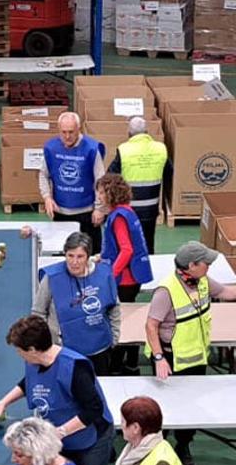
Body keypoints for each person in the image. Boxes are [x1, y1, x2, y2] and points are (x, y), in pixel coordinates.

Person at [145, 241, 236, 465]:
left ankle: (183, 445)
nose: (210, 265)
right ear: (191, 266)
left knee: (191, 405)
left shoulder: (203, 280)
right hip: (169, 359)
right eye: (206, 262)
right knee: (165, 408)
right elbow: (150, 325)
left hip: (195, 357)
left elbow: (226, 292)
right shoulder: (166, 291)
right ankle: (159, 448)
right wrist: (158, 358)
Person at [0, 315, 115, 465]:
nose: (19, 355)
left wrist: (60, 432)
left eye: (19, 351)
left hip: (90, 440)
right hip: (61, 438)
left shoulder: (75, 368)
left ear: (32, 349)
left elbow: (93, 409)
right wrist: (3, 402)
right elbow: (30, 382)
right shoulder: (34, 361)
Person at [32, 231, 121, 376]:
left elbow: (114, 307)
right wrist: (46, 344)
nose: (74, 262)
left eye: (80, 256)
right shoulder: (51, 278)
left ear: (88, 257)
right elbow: (38, 313)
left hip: (99, 350)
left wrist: (114, 337)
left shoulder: (104, 275)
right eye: (70, 256)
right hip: (63, 351)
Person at [95, 174, 153, 374]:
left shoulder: (118, 217)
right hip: (133, 276)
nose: (99, 197)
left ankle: (118, 365)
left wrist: (110, 273)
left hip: (125, 279)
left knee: (121, 321)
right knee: (128, 316)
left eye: (102, 193)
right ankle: (131, 363)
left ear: (111, 194)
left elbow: (126, 250)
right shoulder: (128, 212)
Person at [40, 112, 106, 253]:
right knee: (63, 255)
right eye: (63, 132)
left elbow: (101, 181)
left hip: (87, 213)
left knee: (91, 255)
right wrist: (47, 197)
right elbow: (43, 175)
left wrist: (100, 208)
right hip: (61, 212)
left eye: (71, 132)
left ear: (79, 129)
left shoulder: (92, 149)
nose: (67, 136)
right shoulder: (51, 148)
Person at [107, 116, 169, 253]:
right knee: (147, 244)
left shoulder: (124, 150)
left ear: (129, 133)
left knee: (127, 246)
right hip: (151, 209)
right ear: (147, 132)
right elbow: (170, 175)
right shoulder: (161, 149)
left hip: (128, 210)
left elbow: (110, 176)